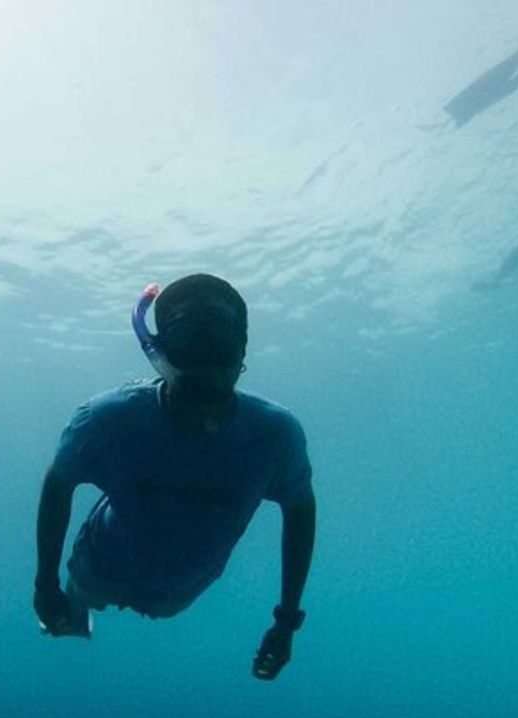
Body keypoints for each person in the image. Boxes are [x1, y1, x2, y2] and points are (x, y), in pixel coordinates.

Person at [33, 273, 317, 681]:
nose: (205, 365)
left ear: (240, 353)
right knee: (82, 595)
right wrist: (46, 585)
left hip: (176, 591)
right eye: (189, 341)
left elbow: (301, 510)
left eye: (218, 343)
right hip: (102, 563)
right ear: (161, 351)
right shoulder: (109, 420)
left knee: (151, 604)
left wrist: (287, 621)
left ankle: (77, 606)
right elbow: (59, 481)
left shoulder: (274, 436)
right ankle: (74, 611)